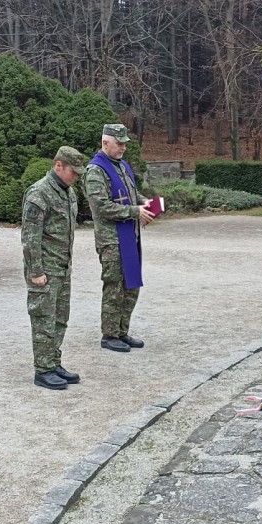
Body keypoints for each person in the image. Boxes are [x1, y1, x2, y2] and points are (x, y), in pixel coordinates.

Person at [85, 123, 154, 352]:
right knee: (114, 287)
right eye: (119, 143)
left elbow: (131, 193)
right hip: (111, 240)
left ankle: (122, 331)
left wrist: (144, 202)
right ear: (105, 142)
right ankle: (110, 335)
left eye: (125, 143)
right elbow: (101, 206)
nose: (123, 147)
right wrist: (135, 211)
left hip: (130, 236)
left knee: (131, 286)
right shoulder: (96, 171)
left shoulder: (122, 165)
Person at [21, 146, 86, 390]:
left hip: (62, 267)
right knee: (43, 320)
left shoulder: (68, 192)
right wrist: (36, 271)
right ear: (58, 166)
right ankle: (43, 369)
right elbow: (30, 238)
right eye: (73, 171)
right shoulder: (39, 193)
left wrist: (68, 263)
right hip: (45, 271)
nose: (76, 176)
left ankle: (53, 362)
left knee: (60, 319)